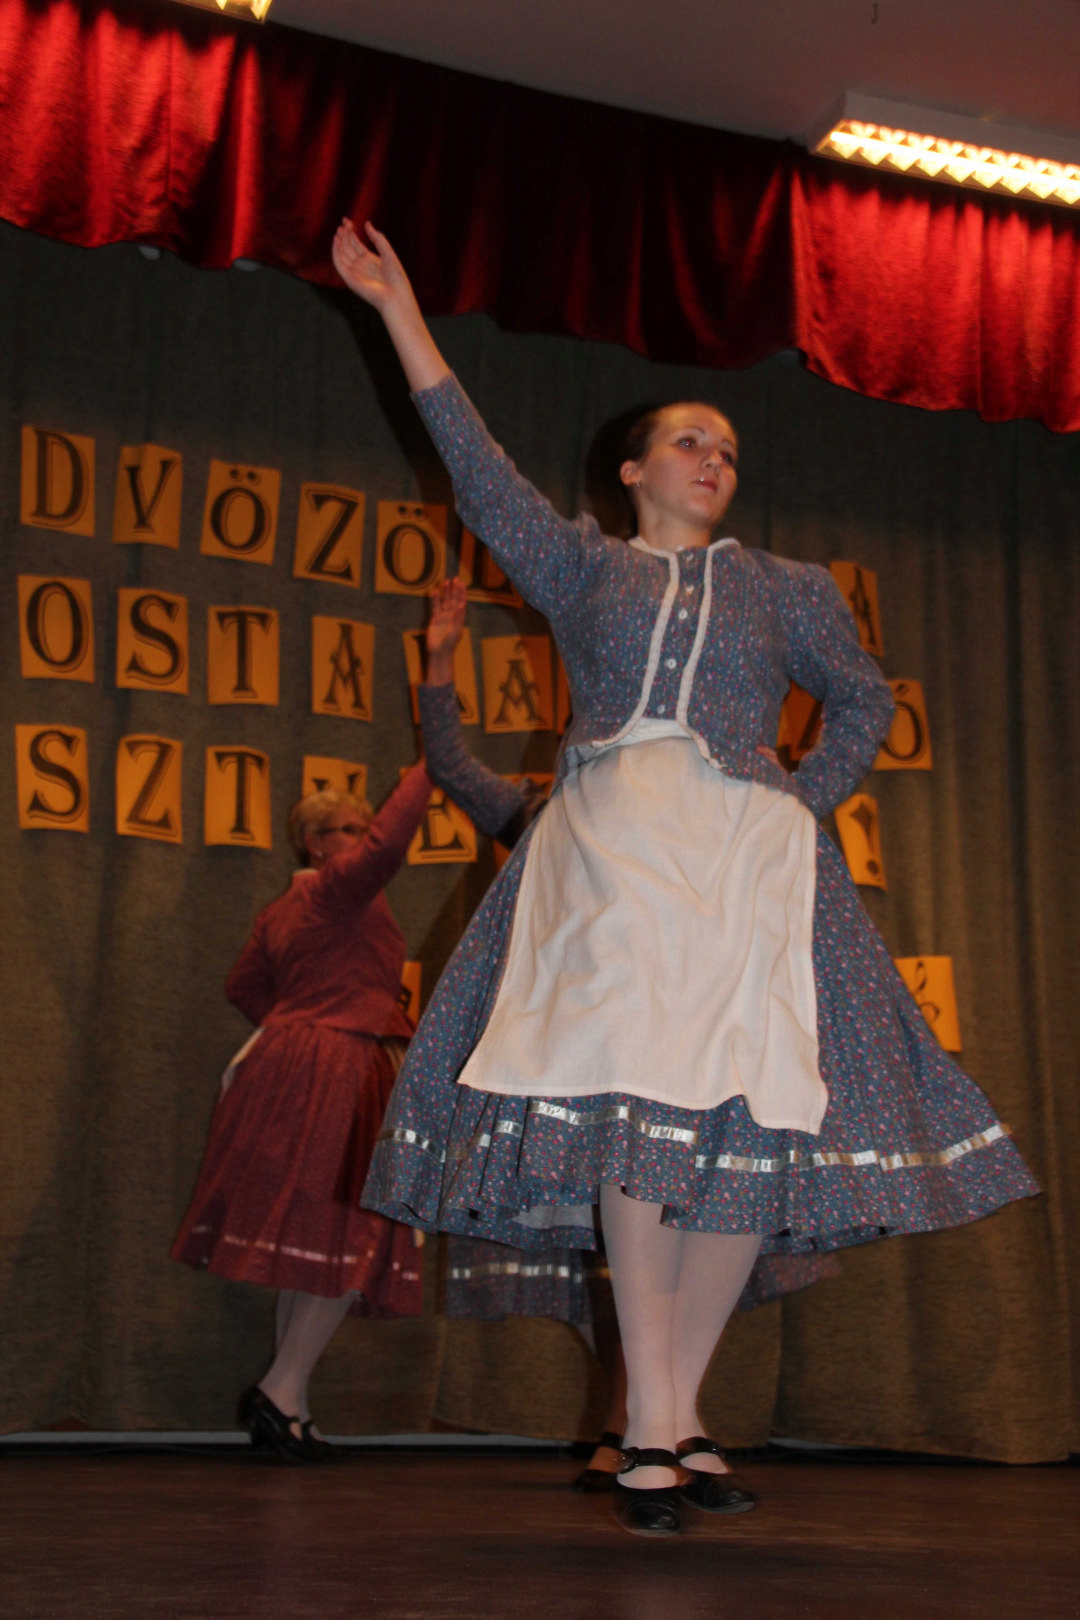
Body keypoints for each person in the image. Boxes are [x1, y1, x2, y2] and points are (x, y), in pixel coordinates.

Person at [333, 220, 1039, 1536]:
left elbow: (864, 700)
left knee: (745, 1123)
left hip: (743, 860)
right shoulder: (581, 564)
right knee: (632, 1119)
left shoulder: (788, 586)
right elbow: (477, 470)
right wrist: (398, 312)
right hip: (610, 853)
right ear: (632, 467)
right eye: (692, 441)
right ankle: (659, 1424)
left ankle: (670, 1418)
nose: (716, 461)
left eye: (729, 450)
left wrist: (799, 801)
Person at [420, 577, 839, 1497]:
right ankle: (640, 1429)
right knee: (636, 1198)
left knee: (709, 1195)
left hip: (706, 1007)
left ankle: (661, 1423)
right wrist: (440, 664)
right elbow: (450, 764)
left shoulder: (718, 834)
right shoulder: (549, 824)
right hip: (603, 1037)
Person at [171, 762, 432, 1462]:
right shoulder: (335, 891)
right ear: (315, 844)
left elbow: (244, 986)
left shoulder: (282, 910)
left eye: (362, 826)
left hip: (293, 1065)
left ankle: (292, 1408)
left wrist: (295, 1023)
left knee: (312, 1245)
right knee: (351, 1234)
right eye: (348, 829)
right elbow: (390, 845)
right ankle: (278, 1392)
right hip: (338, 1067)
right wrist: (430, 767)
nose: (362, 838)